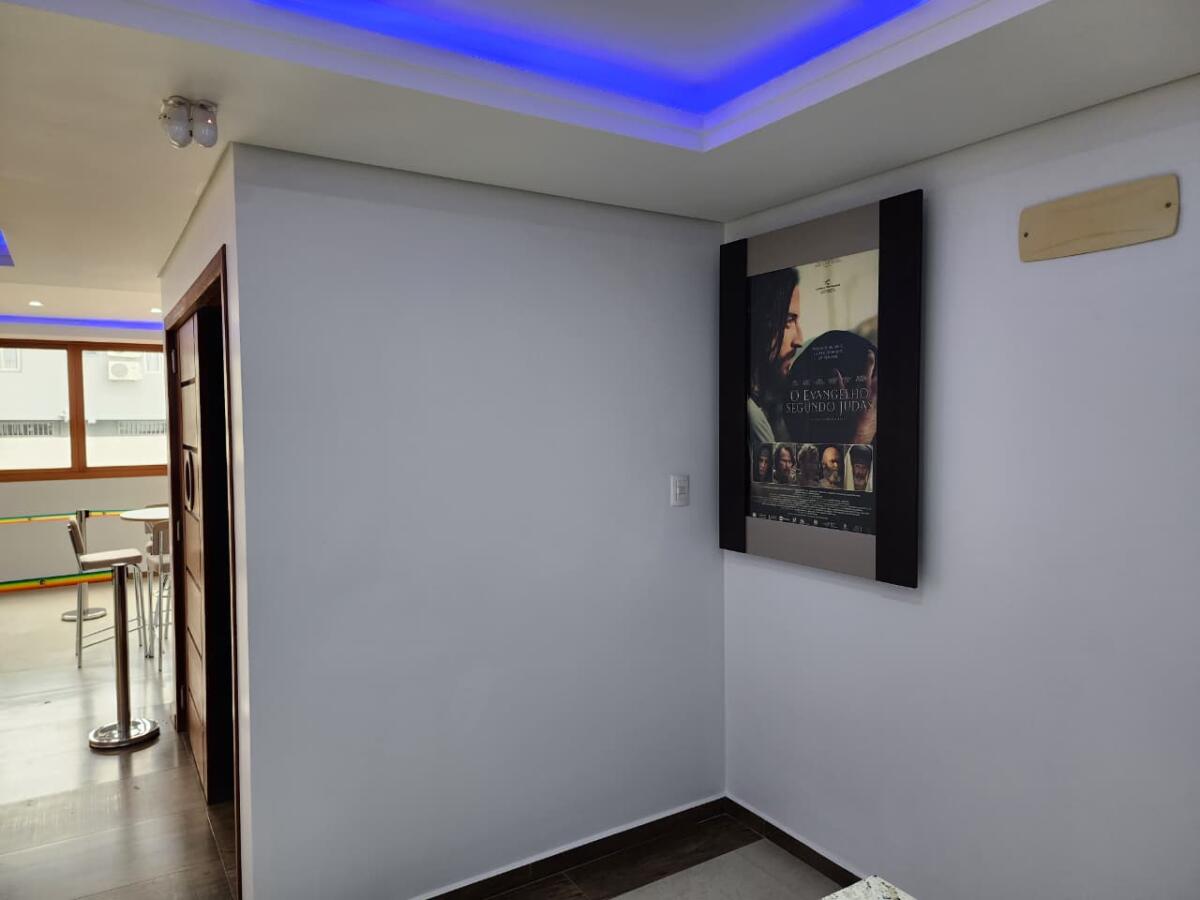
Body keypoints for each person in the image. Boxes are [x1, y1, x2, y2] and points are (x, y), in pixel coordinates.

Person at [747, 267, 803, 448]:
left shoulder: (763, 407)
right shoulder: (752, 416)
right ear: (761, 322)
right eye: (788, 320)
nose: (799, 340)